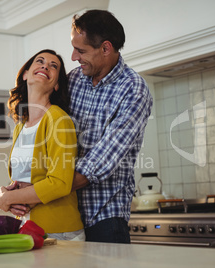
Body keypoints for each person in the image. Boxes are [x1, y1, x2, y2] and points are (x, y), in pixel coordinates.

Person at [68, 10, 153, 243]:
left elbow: (99, 163)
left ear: (105, 48)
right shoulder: (73, 80)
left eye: (81, 50)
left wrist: (39, 194)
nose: (74, 56)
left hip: (104, 217)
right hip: (67, 214)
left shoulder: (134, 90)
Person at [0, 49, 85, 241]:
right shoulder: (20, 127)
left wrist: (9, 199)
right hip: (30, 228)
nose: (45, 66)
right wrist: (10, 194)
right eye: (40, 61)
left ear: (57, 84)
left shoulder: (59, 119)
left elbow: (60, 183)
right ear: (26, 74)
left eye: (54, 66)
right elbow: (27, 179)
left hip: (60, 231)